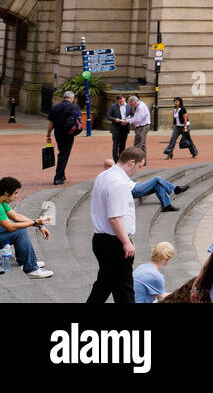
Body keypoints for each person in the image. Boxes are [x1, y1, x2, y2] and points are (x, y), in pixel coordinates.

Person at [87, 145, 144, 304]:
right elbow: (115, 217)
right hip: (114, 242)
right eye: (139, 166)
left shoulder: (103, 175)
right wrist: (126, 242)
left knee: (104, 284)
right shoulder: (119, 183)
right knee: (124, 288)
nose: (138, 170)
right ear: (131, 162)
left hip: (101, 239)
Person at [0, 176, 54, 279]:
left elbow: (16, 216)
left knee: (20, 228)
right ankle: (31, 269)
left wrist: (39, 225)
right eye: (15, 193)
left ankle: (26, 262)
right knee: (19, 231)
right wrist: (34, 222)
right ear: (7, 193)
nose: (16, 197)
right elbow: (10, 227)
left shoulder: (2, 202)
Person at [46, 90, 81, 184]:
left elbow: (50, 124)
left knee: (62, 153)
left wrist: (48, 135)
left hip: (58, 133)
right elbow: (79, 121)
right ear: (72, 98)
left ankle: (62, 175)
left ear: (63, 97)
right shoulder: (74, 107)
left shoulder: (56, 107)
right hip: (69, 133)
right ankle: (58, 177)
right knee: (64, 155)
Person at [108, 94, 132, 163]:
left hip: (125, 127)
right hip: (116, 127)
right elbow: (108, 116)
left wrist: (129, 118)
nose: (121, 103)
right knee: (115, 144)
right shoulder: (113, 106)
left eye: (122, 101)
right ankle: (116, 160)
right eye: (120, 102)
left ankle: (121, 158)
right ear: (117, 101)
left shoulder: (129, 106)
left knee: (123, 144)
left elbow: (132, 114)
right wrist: (115, 119)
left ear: (124, 99)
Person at [128, 95, 151, 161]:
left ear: (134, 102)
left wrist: (128, 121)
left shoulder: (141, 107)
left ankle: (135, 160)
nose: (131, 105)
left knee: (137, 145)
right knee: (142, 144)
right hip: (142, 126)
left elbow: (138, 119)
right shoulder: (139, 105)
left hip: (142, 127)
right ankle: (143, 161)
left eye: (131, 104)